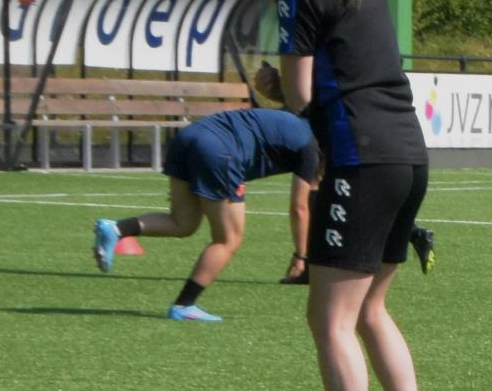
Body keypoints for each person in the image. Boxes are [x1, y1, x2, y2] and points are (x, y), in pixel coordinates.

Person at [252, 0, 438, 391]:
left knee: (329, 317)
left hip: (360, 158)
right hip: (408, 154)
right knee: (371, 309)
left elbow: (302, 94)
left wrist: (273, 87)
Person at [90, 107, 321, 320]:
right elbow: (299, 207)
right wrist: (301, 256)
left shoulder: (295, 121)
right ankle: (184, 305)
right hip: (218, 151)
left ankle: (116, 229)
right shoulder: (310, 148)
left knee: (183, 223)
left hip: (188, 137)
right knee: (228, 239)